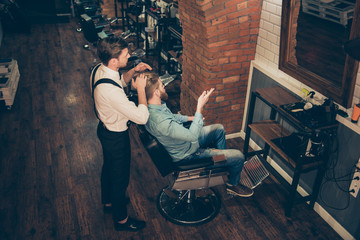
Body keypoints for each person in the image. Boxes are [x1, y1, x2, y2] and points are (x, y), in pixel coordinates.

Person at [144, 72, 254, 197]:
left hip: (184, 142)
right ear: (157, 92)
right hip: (188, 154)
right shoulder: (160, 121)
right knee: (239, 156)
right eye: (162, 85)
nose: (164, 86)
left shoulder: (154, 107)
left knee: (218, 129)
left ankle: (221, 166)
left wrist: (190, 118)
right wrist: (199, 108)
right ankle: (232, 185)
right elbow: (192, 136)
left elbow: (172, 117)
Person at [90, 36, 151, 232]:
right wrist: (141, 89)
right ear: (114, 60)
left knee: (108, 168)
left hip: (104, 130)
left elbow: (119, 82)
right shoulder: (111, 92)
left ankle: (108, 203)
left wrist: (134, 71)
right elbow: (142, 117)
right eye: (126, 55)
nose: (130, 56)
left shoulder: (100, 70)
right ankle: (122, 221)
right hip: (116, 136)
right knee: (120, 179)